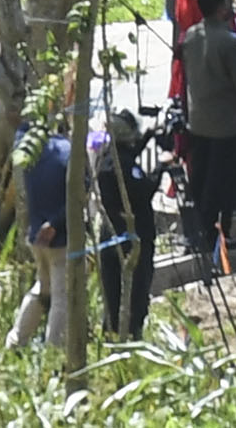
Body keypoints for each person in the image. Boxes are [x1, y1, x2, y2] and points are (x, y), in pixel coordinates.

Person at [178, 0, 236, 263]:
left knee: (201, 182)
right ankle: (219, 238)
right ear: (221, 8)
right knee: (225, 186)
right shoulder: (228, 42)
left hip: (199, 122)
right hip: (228, 126)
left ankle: (201, 234)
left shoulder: (190, 36)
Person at [90, 108, 160, 339]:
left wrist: (148, 136)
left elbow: (126, 162)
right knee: (136, 292)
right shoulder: (125, 168)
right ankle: (132, 335)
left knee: (112, 294)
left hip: (109, 236)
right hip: (134, 239)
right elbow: (143, 189)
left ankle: (111, 335)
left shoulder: (106, 160)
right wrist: (161, 168)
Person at [6, 127, 74, 350]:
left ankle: (16, 341)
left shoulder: (26, 149)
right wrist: (56, 223)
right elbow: (78, 192)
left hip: (37, 236)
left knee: (42, 289)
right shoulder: (65, 150)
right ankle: (54, 352)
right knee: (61, 297)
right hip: (59, 237)